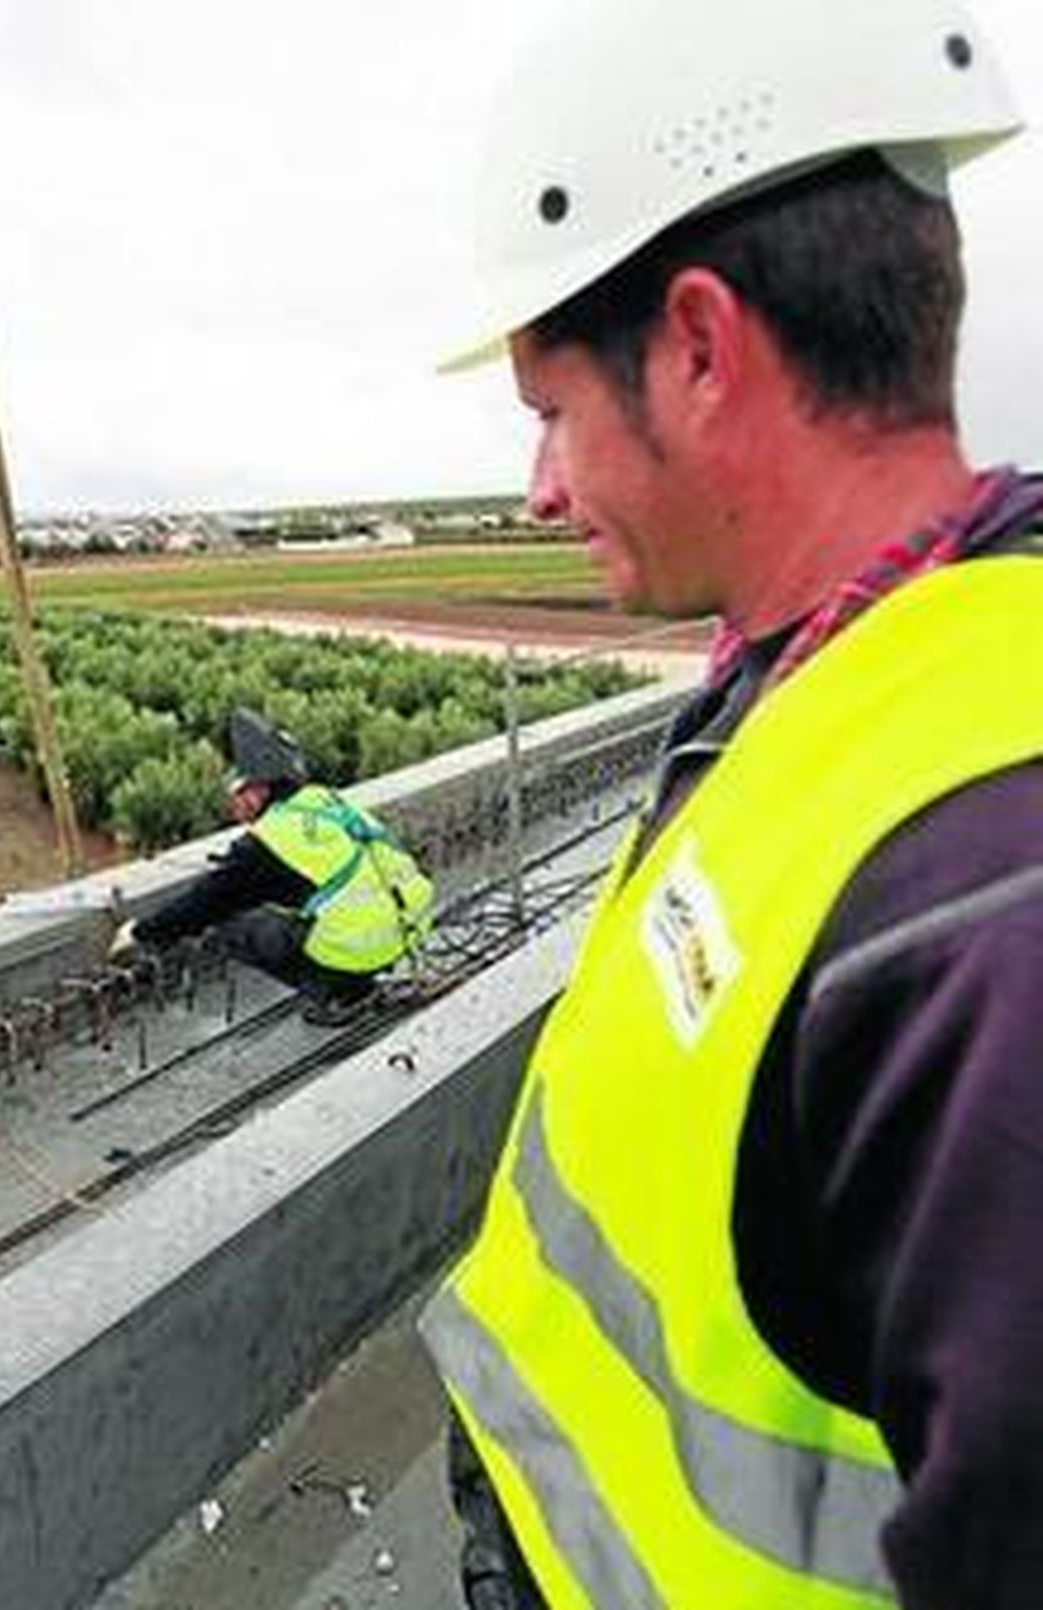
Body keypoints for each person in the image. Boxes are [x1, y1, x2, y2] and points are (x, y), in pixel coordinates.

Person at [417, 3, 1043, 1608]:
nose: (540, 491)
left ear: (698, 347)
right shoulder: (823, 668)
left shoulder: (995, 909)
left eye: (550, 412)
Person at [107, 708, 434, 1025]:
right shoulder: (322, 801)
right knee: (307, 908)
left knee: (232, 924)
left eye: (236, 790)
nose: (232, 802)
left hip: (359, 950)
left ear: (258, 790)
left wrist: (139, 933)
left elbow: (204, 904)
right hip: (410, 931)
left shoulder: (269, 841)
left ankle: (336, 991)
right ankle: (356, 981)